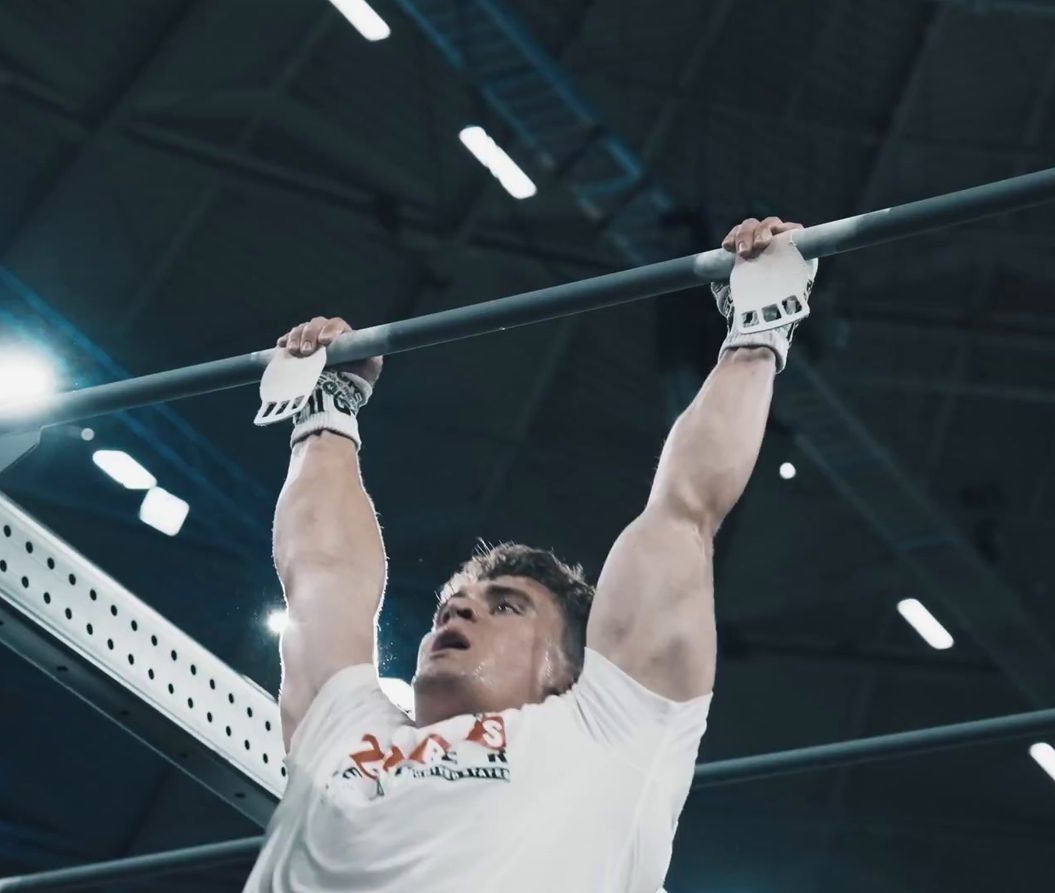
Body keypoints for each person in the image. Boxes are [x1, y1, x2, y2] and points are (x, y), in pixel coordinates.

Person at [244, 217, 813, 893]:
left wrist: (756, 333)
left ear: (566, 666)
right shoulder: (343, 731)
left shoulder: (610, 730)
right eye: (457, 599)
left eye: (505, 605)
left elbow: (684, 511)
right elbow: (321, 573)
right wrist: (327, 413)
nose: (457, 605)